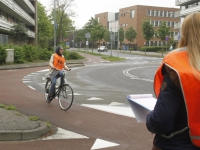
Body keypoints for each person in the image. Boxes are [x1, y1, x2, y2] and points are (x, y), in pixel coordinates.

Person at [146, 12, 200, 150]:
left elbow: (161, 122)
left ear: (184, 34)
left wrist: (149, 118)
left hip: (177, 144)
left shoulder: (178, 68)